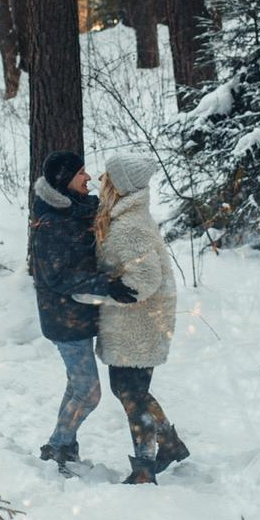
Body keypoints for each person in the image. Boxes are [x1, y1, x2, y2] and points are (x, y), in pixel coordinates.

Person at [28, 151, 135, 467]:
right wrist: (107, 284)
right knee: (88, 393)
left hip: (80, 314)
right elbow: (58, 276)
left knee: (77, 386)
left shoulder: (78, 209)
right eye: (80, 173)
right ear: (64, 180)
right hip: (64, 319)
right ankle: (58, 445)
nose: (88, 177)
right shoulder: (52, 223)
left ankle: (64, 446)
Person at [92, 154, 187, 484]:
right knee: (129, 390)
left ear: (120, 185)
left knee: (132, 395)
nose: (101, 180)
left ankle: (145, 468)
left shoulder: (130, 226)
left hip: (139, 325)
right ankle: (170, 444)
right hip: (135, 324)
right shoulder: (125, 218)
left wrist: (105, 291)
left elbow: (145, 279)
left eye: (107, 176)